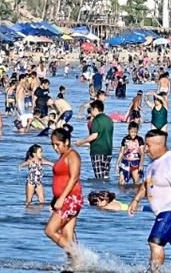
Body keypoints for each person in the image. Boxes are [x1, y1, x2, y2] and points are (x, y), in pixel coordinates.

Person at [129, 129, 171, 272]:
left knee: (155, 243)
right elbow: (146, 185)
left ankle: (154, 271)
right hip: (164, 211)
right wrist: (136, 200)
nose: (146, 150)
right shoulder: (152, 164)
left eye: (149, 146)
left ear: (160, 145)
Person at [45, 128, 83, 262]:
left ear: (66, 141)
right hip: (64, 199)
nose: (55, 148)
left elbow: (74, 177)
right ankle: (75, 266)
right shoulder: (63, 156)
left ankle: (78, 256)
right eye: (53, 145)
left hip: (71, 199)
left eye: (58, 144)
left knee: (50, 230)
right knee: (67, 235)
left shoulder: (72, 155)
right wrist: (55, 199)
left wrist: (61, 198)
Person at [76, 100, 113, 180]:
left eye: (91, 109)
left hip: (97, 151)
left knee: (99, 177)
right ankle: (107, 191)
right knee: (105, 176)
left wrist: (81, 142)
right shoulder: (109, 120)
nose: (90, 111)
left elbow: (94, 135)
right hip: (108, 151)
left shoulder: (96, 120)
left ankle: (100, 191)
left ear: (95, 109)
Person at [117, 122, 145, 186]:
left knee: (136, 183)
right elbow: (121, 152)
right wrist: (117, 163)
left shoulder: (140, 139)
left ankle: (134, 195)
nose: (133, 134)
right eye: (132, 132)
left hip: (135, 163)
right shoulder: (125, 139)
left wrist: (141, 164)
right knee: (121, 182)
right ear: (128, 130)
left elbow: (142, 153)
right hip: (125, 162)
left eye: (135, 132)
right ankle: (122, 195)